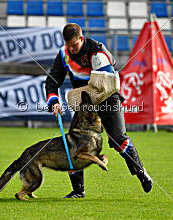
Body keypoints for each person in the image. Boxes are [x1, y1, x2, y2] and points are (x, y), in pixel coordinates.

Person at [45, 23, 152, 198]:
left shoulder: (97, 50)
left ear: (82, 38)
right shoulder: (64, 53)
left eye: (75, 45)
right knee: (72, 145)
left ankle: (141, 172)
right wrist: (54, 101)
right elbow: (52, 80)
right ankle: (78, 191)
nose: (71, 49)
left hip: (107, 99)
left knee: (119, 140)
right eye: (68, 45)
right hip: (84, 105)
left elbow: (109, 78)